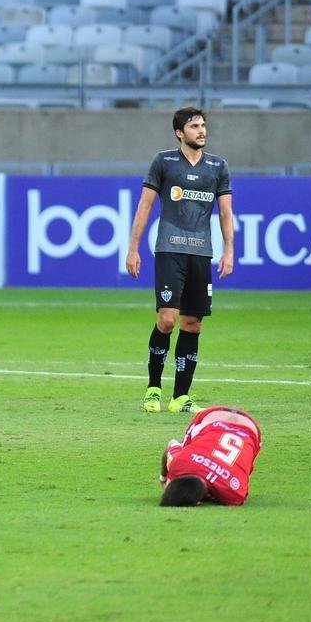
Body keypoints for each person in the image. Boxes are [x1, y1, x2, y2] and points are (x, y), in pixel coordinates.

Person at [126, 106, 234, 415]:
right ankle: (153, 389)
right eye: (194, 126)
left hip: (201, 253)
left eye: (203, 125)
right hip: (169, 250)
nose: (202, 131)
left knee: (193, 324)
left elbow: (225, 212)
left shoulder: (218, 166)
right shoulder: (164, 162)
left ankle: (180, 397)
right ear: (179, 132)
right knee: (167, 320)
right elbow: (145, 206)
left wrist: (229, 250)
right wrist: (133, 248)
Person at [160, 406, 262, 506]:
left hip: (251, 431)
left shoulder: (234, 494)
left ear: (199, 502)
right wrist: (164, 479)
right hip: (217, 417)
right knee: (186, 448)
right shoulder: (178, 463)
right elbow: (172, 443)